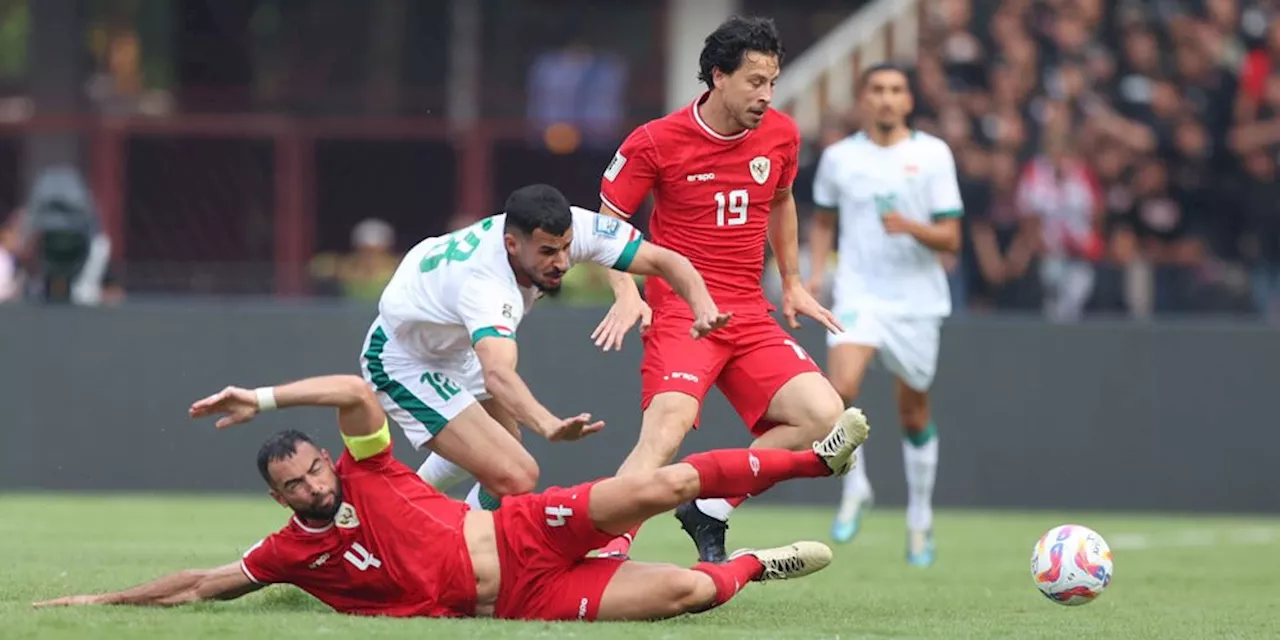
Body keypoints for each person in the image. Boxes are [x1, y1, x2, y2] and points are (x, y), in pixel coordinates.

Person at [32, 372, 869, 621]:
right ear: (283, 500)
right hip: (522, 600)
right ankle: (756, 565)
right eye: (295, 488)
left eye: (315, 472)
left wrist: (266, 397)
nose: (314, 489)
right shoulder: (293, 551)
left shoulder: (367, 470)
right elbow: (200, 582)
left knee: (666, 482)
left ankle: (817, 466)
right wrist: (97, 599)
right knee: (688, 591)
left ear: (328, 462)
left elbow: (360, 393)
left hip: (522, 533)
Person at [591, 15, 855, 562]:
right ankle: (603, 550)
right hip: (683, 312)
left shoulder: (781, 133)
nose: (767, 95)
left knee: (823, 415)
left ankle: (709, 505)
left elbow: (781, 202)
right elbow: (606, 225)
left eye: (773, 82)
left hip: (749, 314)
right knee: (664, 432)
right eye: (755, 82)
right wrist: (625, 291)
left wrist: (793, 283)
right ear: (718, 77)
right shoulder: (656, 141)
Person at [360, 184, 729, 511]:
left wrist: (703, 307)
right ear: (511, 244)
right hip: (403, 357)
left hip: (453, 341)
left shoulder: (571, 228)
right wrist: (548, 424)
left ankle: (418, 522)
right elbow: (498, 374)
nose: (563, 262)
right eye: (549, 252)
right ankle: (415, 529)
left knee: (501, 458)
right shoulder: (486, 285)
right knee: (515, 474)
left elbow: (666, 259)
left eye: (567, 247)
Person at [805, 63, 964, 567]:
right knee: (838, 393)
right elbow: (824, 221)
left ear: (909, 100)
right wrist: (813, 275)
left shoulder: (933, 155)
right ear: (862, 100)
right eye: (877, 90)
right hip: (859, 292)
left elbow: (952, 238)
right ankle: (857, 487)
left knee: (913, 409)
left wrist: (912, 228)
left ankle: (920, 517)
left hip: (916, 300)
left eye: (896, 90)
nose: (886, 99)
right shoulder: (838, 158)